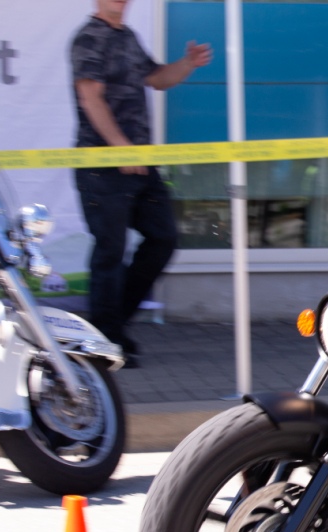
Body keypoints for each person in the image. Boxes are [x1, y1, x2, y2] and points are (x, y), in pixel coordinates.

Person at [71, 0, 212, 367]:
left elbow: (156, 79)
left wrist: (187, 64)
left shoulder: (128, 37)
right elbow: (90, 96)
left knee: (163, 239)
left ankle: (109, 327)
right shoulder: (88, 38)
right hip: (102, 164)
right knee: (110, 253)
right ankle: (105, 344)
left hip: (140, 163)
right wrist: (120, 148)